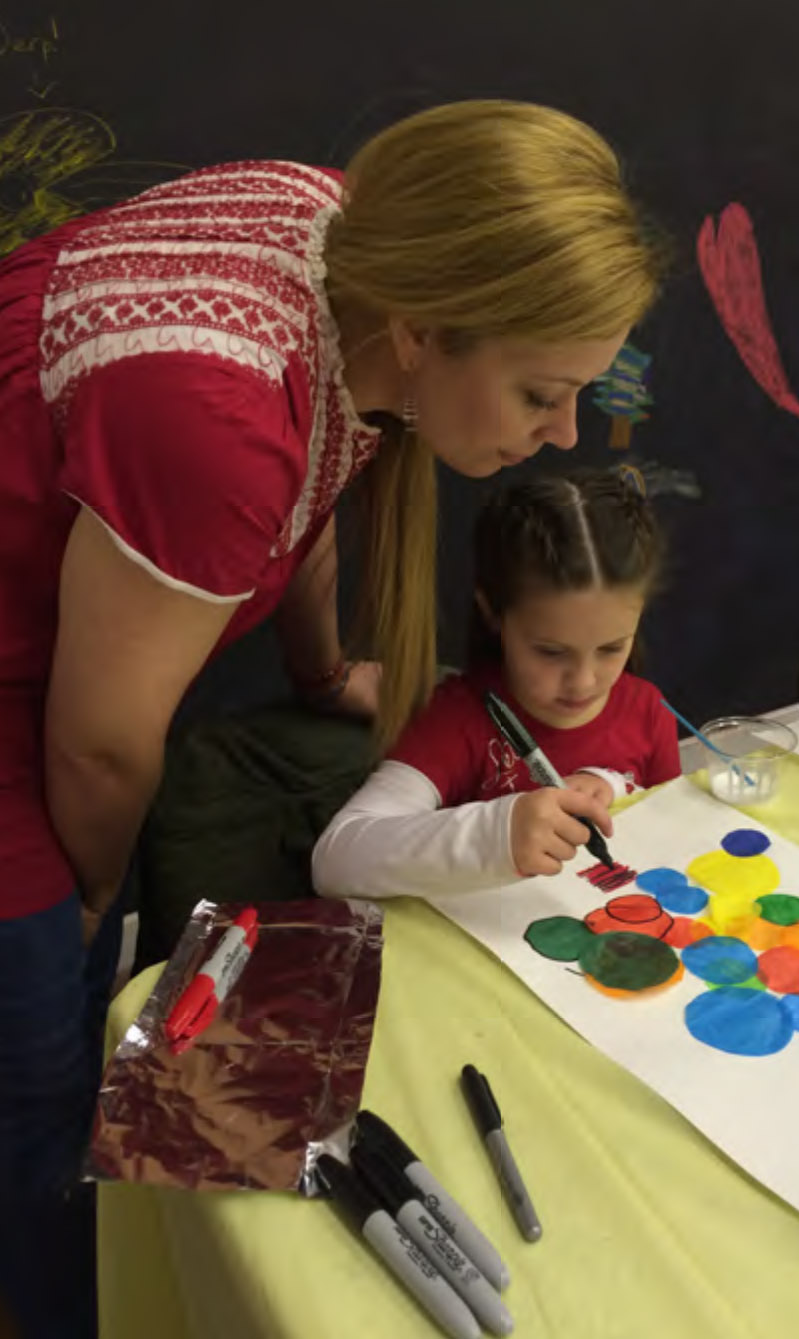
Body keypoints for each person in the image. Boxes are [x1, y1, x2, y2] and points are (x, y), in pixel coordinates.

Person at [0, 101, 664, 1338]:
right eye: (542, 390)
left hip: (76, 641)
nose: (562, 434)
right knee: (50, 1094)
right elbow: (97, 745)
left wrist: (319, 672)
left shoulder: (348, 229)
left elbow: (312, 476)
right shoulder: (215, 418)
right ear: (421, 334)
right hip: (28, 698)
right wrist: (91, 902)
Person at [312, 470, 681, 900]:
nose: (583, 681)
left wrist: (614, 787)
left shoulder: (648, 711)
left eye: (611, 648)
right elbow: (334, 861)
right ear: (493, 614)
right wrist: (497, 833)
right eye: (550, 651)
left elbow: (670, 832)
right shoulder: (455, 721)